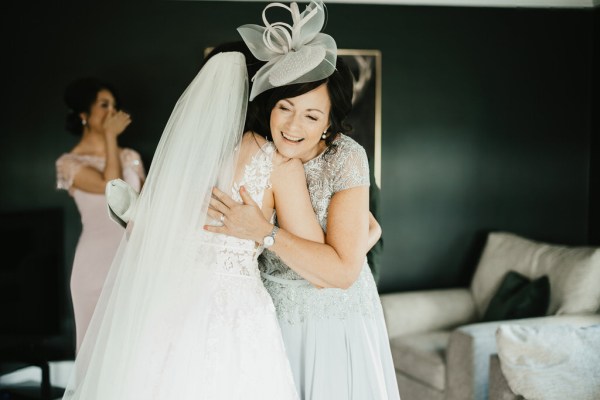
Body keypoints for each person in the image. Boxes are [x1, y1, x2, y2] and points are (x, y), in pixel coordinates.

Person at [62, 3, 351, 394]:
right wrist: (269, 232)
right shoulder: (274, 163)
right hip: (232, 318)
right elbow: (322, 273)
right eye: (284, 102)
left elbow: (148, 236)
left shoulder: (183, 158)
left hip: (164, 310)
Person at [205, 2, 400, 399]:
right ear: (269, 106)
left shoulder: (345, 156)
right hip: (269, 311)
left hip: (331, 319)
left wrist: (265, 232)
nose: (294, 126)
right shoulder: (255, 153)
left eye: (312, 116)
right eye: (285, 108)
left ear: (329, 122)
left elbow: (343, 275)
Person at [56, 77, 145, 352]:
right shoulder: (69, 163)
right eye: (104, 105)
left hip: (134, 256)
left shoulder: (131, 156)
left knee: (132, 343)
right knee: (95, 349)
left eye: (115, 106)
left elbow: (141, 206)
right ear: (84, 115)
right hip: (95, 263)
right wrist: (110, 137)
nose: (112, 112)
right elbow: (113, 190)